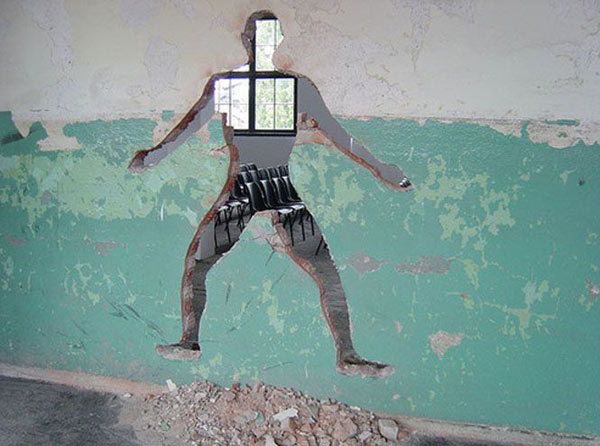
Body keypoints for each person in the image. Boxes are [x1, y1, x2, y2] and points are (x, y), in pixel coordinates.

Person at [129, 11, 412, 378]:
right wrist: (154, 156)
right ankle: (190, 340)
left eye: (270, 35)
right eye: (261, 35)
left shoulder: (295, 87)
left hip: (270, 187)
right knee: (199, 263)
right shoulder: (229, 85)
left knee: (322, 269)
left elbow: (339, 135)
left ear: (274, 40)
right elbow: (190, 126)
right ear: (248, 40)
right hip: (250, 187)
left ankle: (348, 354)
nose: (265, 42)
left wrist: (380, 167)